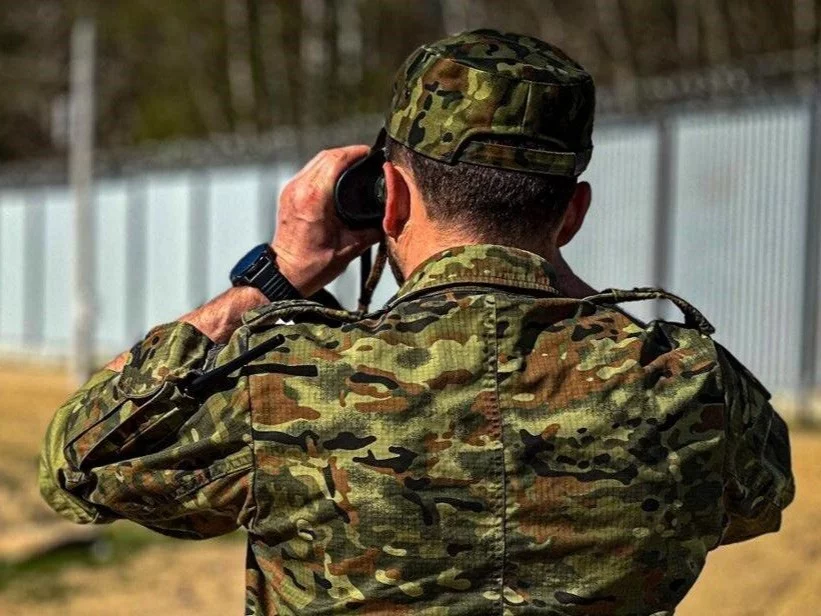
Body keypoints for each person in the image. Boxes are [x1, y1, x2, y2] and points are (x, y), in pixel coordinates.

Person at [40, 29, 793, 615]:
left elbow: (79, 459)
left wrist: (277, 273)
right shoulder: (690, 387)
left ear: (388, 198)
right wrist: (553, 272)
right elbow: (759, 495)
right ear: (573, 213)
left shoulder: (287, 385)